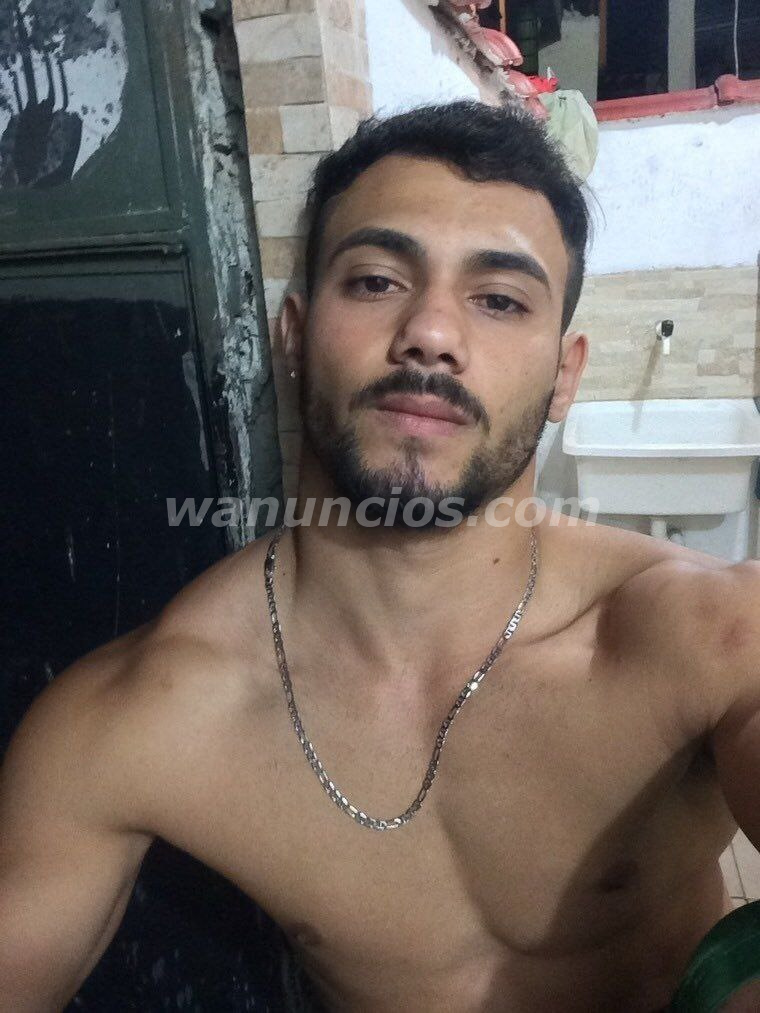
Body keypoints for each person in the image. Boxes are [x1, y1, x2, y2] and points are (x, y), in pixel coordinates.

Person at [1, 100, 759, 1013]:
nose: (432, 332)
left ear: (565, 375)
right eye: (374, 281)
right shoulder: (139, 718)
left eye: (499, 299)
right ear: (292, 332)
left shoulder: (703, 635)